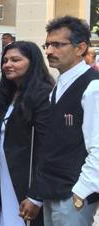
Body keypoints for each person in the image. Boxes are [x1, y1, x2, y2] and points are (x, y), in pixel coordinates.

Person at [33, 16, 99, 226]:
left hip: (73, 195)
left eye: (58, 45)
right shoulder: (58, 86)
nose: (49, 51)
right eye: (48, 44)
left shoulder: (92, 88)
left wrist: (80, 192)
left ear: (80, 48)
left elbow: (97, 148)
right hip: (53, 191)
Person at [0, 41, 53, 226]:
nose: (8, 65)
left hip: (26, 179)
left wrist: (36, 196)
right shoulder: (7, 93)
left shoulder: (43, 94)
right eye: (5, 60)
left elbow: (46, 148)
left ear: (32, 62)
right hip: (4, 173)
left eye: (15, 60)